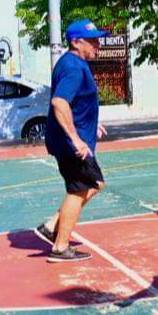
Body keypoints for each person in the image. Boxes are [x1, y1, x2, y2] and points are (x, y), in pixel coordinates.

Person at [35, 20, 109, 263]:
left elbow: (75, 102)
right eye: (93, 40)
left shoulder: (72, 63)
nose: (98, 44)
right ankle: (60, 246)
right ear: (76, 42)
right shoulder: (74, 67)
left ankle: (52, 226)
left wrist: (90, 121)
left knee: (92, 185)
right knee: (80, 190)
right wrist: (76, 138)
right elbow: (60, 102)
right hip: (71, 144)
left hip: (69, 139)